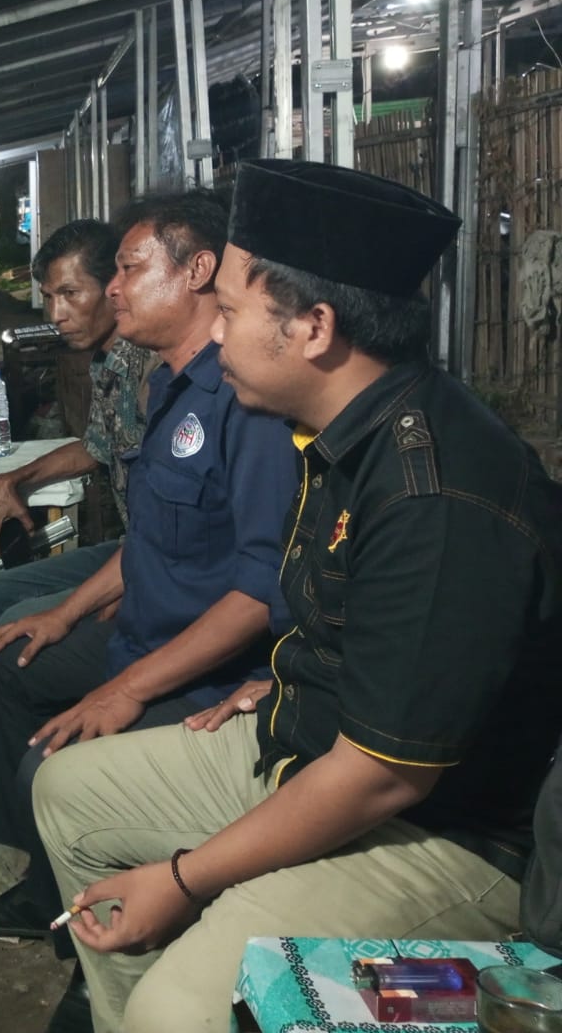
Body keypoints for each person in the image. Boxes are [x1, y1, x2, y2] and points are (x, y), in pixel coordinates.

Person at [36, 160, 562, 1033]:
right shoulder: (335, 431)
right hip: (309, 742)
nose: (217, 338)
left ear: (314, 328)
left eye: (230, 313)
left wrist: (184, 879)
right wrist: (286, 674)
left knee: (181, 1006)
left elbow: (381, 778)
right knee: (67, 791)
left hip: (438, 831)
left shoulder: (435, 495)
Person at [0, 192, 301, 950]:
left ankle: (100, 951)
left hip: (200, 671)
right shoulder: (167, 387)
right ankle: (42, 888)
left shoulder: (248, 403)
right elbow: (150, 543)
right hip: (142, 634)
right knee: (16, 653)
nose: (112, 289)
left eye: (130, 270)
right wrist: (66, 613)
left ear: (198, 273)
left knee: (49, 769)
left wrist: (127, 688)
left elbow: (259, 590)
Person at [0, 219, 152, 632]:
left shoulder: (151, 365)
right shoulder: (105, 360)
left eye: (71, 294)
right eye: (49, 297)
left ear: (114, 287)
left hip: (158, 558)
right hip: (133, 549)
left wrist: (128, 582)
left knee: (18, 621)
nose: (56, 315)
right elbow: (95, 446)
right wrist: (12, 479)